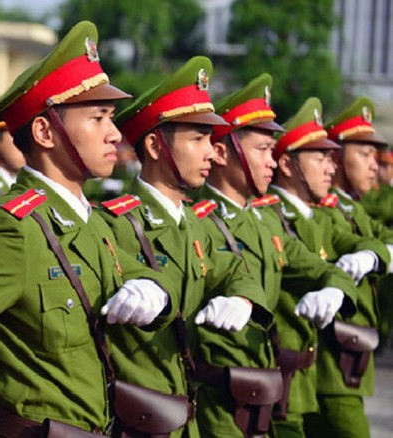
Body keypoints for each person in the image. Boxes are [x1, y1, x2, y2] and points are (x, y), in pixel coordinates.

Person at [0, 20, 180, 436]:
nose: (114, 134)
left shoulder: (86, 221)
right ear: (46, 131)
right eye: (99, 117)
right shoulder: (11, 230)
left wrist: (155, 287)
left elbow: (132, 271)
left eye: (111, 118)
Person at [101, 56, 271, 438]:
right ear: (155, 145)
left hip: (182, 413)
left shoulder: (196, 224)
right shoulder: (116, 224)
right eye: (197, 139)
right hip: (137, 420)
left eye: (211, 140)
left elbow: (235, 270)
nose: (211, 152)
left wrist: (242, 300)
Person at [198, 75, 361, 438]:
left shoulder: (267, 223)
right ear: (222, 153)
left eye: (274, 150)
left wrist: (333, 289)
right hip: (216, 405)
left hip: (264, 398)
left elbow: (322, 270)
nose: (273, 161)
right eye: (261, 149)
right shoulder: (199, 223)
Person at [268, 97, 390, 437]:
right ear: (288, 165)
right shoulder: (271, 218)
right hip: (288, 380)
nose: (331, 166)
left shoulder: (320, 218)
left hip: (308, 380)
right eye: (321, 156)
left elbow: (372, 243)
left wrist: (370, 255)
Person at [361, 147, 393, 227]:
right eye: (380, 165)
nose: (379, 169)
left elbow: (385, 210)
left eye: (385, 166)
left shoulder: (389, 190)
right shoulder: (371, 187)